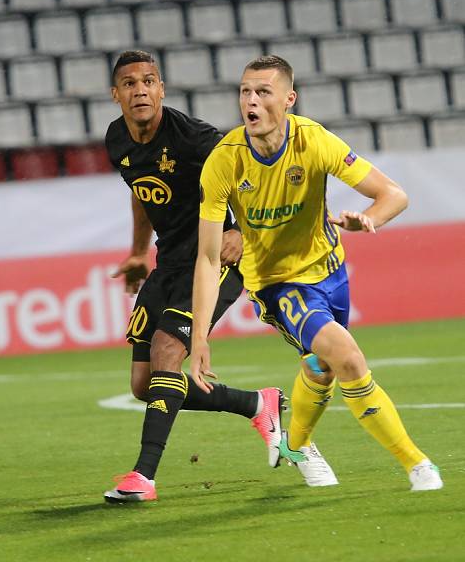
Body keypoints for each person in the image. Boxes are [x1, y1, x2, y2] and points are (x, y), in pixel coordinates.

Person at [191, 54, 444, 492]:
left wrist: (370, 219)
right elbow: (210, 258)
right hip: (276, 284)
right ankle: (417, 464)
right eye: (245, 92)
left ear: (289, 99)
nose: (251, 101)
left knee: (323, 366)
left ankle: (296, 444)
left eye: (263, 92)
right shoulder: (224, 161)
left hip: (330, 271)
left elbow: (393, 195)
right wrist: (199, 338)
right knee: (347, 357)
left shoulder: (314, 140)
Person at [102, 50, 285, 503]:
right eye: (129, 83)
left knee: (168, 351)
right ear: (116, 94)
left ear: (162, 89)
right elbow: (143, 195)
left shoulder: (194, 139)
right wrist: (137, 252)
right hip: (169, 262)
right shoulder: (117, 140)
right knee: (145, 385)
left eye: (148, 81)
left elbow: (253, 173)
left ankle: (143, 477)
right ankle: (257, 404)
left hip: (214, 260)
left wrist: (242, 232)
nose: (139, 90)